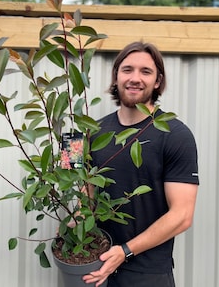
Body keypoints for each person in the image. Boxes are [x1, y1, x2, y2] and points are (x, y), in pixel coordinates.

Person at [83, 41, 199, 287]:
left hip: (148, 274)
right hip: (95, 267)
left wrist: (124, 251)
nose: (135, 78)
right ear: (116, 77)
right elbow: (87, 198)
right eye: (127, 70)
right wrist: (74, 223)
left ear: (157, 81)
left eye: (145, 71)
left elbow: (182, 215)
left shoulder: (174, 134)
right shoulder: (94, 132)